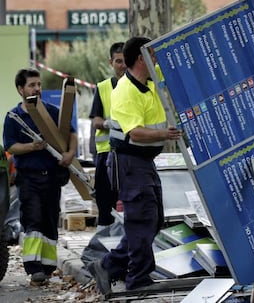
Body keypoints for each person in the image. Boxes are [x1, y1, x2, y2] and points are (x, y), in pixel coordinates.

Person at [88, 36, 182, 294]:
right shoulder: (126, 91)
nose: (155, 59)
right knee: (141, 220)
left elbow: (173, 62)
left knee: (153, 220)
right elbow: (136, 133)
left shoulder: (147, 80)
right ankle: (137, 278)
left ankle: (109, 266)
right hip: (130, 163)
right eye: (151, 54)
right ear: (141, 58)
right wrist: (166, 134)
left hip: (143, 162)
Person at [2, 68, 77, 286]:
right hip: (29, 178)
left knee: (50, 220)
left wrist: (69, 154)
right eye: (31, 85)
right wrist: (32, 147)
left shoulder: (52, 112)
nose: (37, 89)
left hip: (52, 177)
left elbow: (70, 134)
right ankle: (34, 269)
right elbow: (11, 147)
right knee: (33, 220)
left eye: (38, 84)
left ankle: (47, 267)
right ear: (20, 90)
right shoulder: (14, 117)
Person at [89, 42, 126, 230]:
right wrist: (106, 123)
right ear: (111, 62)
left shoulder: (139, 86)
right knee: (105, 202)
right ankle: (103, 243)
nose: (123, 65)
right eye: (119, 61)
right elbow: (95, 120)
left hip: (129, 154)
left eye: (126, 61)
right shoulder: (103, 87)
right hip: (106, 154)